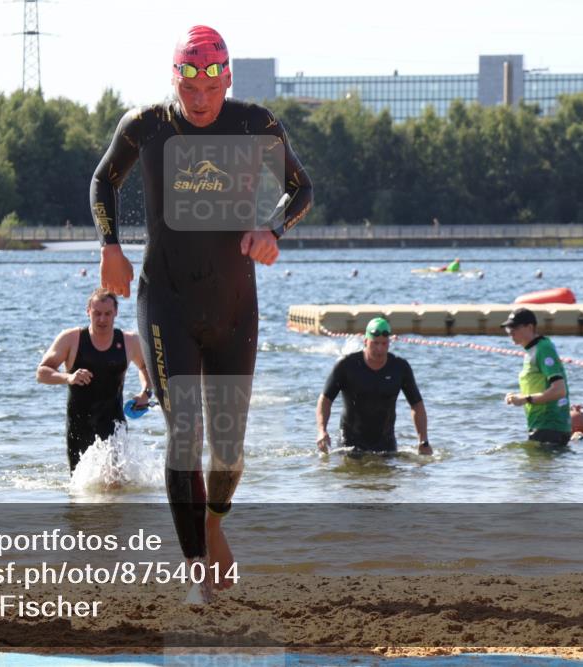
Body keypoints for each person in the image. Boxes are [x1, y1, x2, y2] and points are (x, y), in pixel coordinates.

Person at [89, 25, 313, 601]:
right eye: (189, 84)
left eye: (211, 85)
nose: (200, 97)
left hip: (236, 306)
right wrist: (110, 245)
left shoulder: (255, 124)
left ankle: (213, 522)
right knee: (184, 434)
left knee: (230, 447)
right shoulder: (147, 124)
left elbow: (301, 188)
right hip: (166, 303)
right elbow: (102, 180)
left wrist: (273, 228)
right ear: (175, 79)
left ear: (226, 80)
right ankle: (196, 573)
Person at [36, 288, 152, 472]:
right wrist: (69, 377)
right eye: (97, 313)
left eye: (107, 314)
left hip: (114, 424)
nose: (102, 319)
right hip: (79, 426)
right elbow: (42, 372)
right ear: (88, 311)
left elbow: (147, 368)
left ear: (116, 313)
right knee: (81, 488)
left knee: (116, 484)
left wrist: (146, 393)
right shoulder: (71, 338)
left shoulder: (130, 341)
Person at [316, 318, 431, 456]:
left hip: (386, 445)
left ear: (389, 342)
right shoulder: (347, 365)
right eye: (375, 343)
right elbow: (325, 399)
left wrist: (423, 440)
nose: (379, 349)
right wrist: (322, 430)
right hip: (349, 446)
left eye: (384, 343)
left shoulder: (400, 368)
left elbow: (417, 405)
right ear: (365, 341)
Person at [502, 307, 572, 447]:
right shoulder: (532, 350)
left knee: (537, 468)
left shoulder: (543, 349)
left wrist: (525, 399)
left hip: (550, 426)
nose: (510, 332)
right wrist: (518, 397)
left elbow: (559, 390)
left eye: (514, 327)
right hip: (542, 425)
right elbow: (540, 387)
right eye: (508, 328)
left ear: (530, 327)